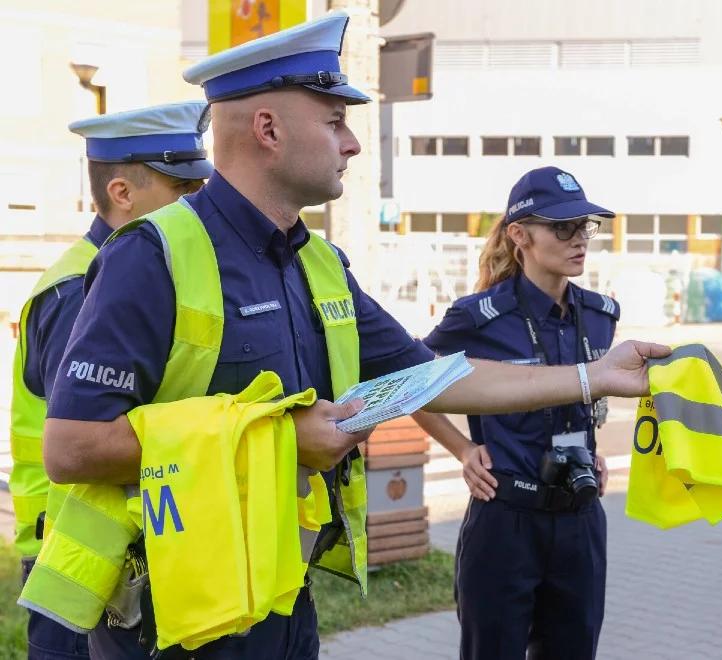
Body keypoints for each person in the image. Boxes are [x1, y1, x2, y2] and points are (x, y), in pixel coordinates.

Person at [39, 12, 666, 659]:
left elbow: (436, 375)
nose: (353, 144)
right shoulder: (153, 254)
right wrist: (282, 442)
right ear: (269, 130)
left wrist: (596, 375)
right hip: (174, 618)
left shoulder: (319, 264)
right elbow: (71, 446)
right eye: (335, 121)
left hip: (282, 602)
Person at [9, 101, 212, 660]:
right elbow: (89, 439)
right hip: (78, 562)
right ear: (122, 193)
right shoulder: (85, 288)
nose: (200, 205)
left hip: (109, 553)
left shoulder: (128, 273)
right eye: (184, 191)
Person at [413, 166, 619, 660]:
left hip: (580, 518)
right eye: (562, 227)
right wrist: (462, 448)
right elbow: (412, 384)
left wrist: (593, 452)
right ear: (519, 235)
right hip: (506, 521)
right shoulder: (479, 316)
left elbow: (585, 398)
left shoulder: (601, 315)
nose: (579, 240)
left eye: (585, 227)